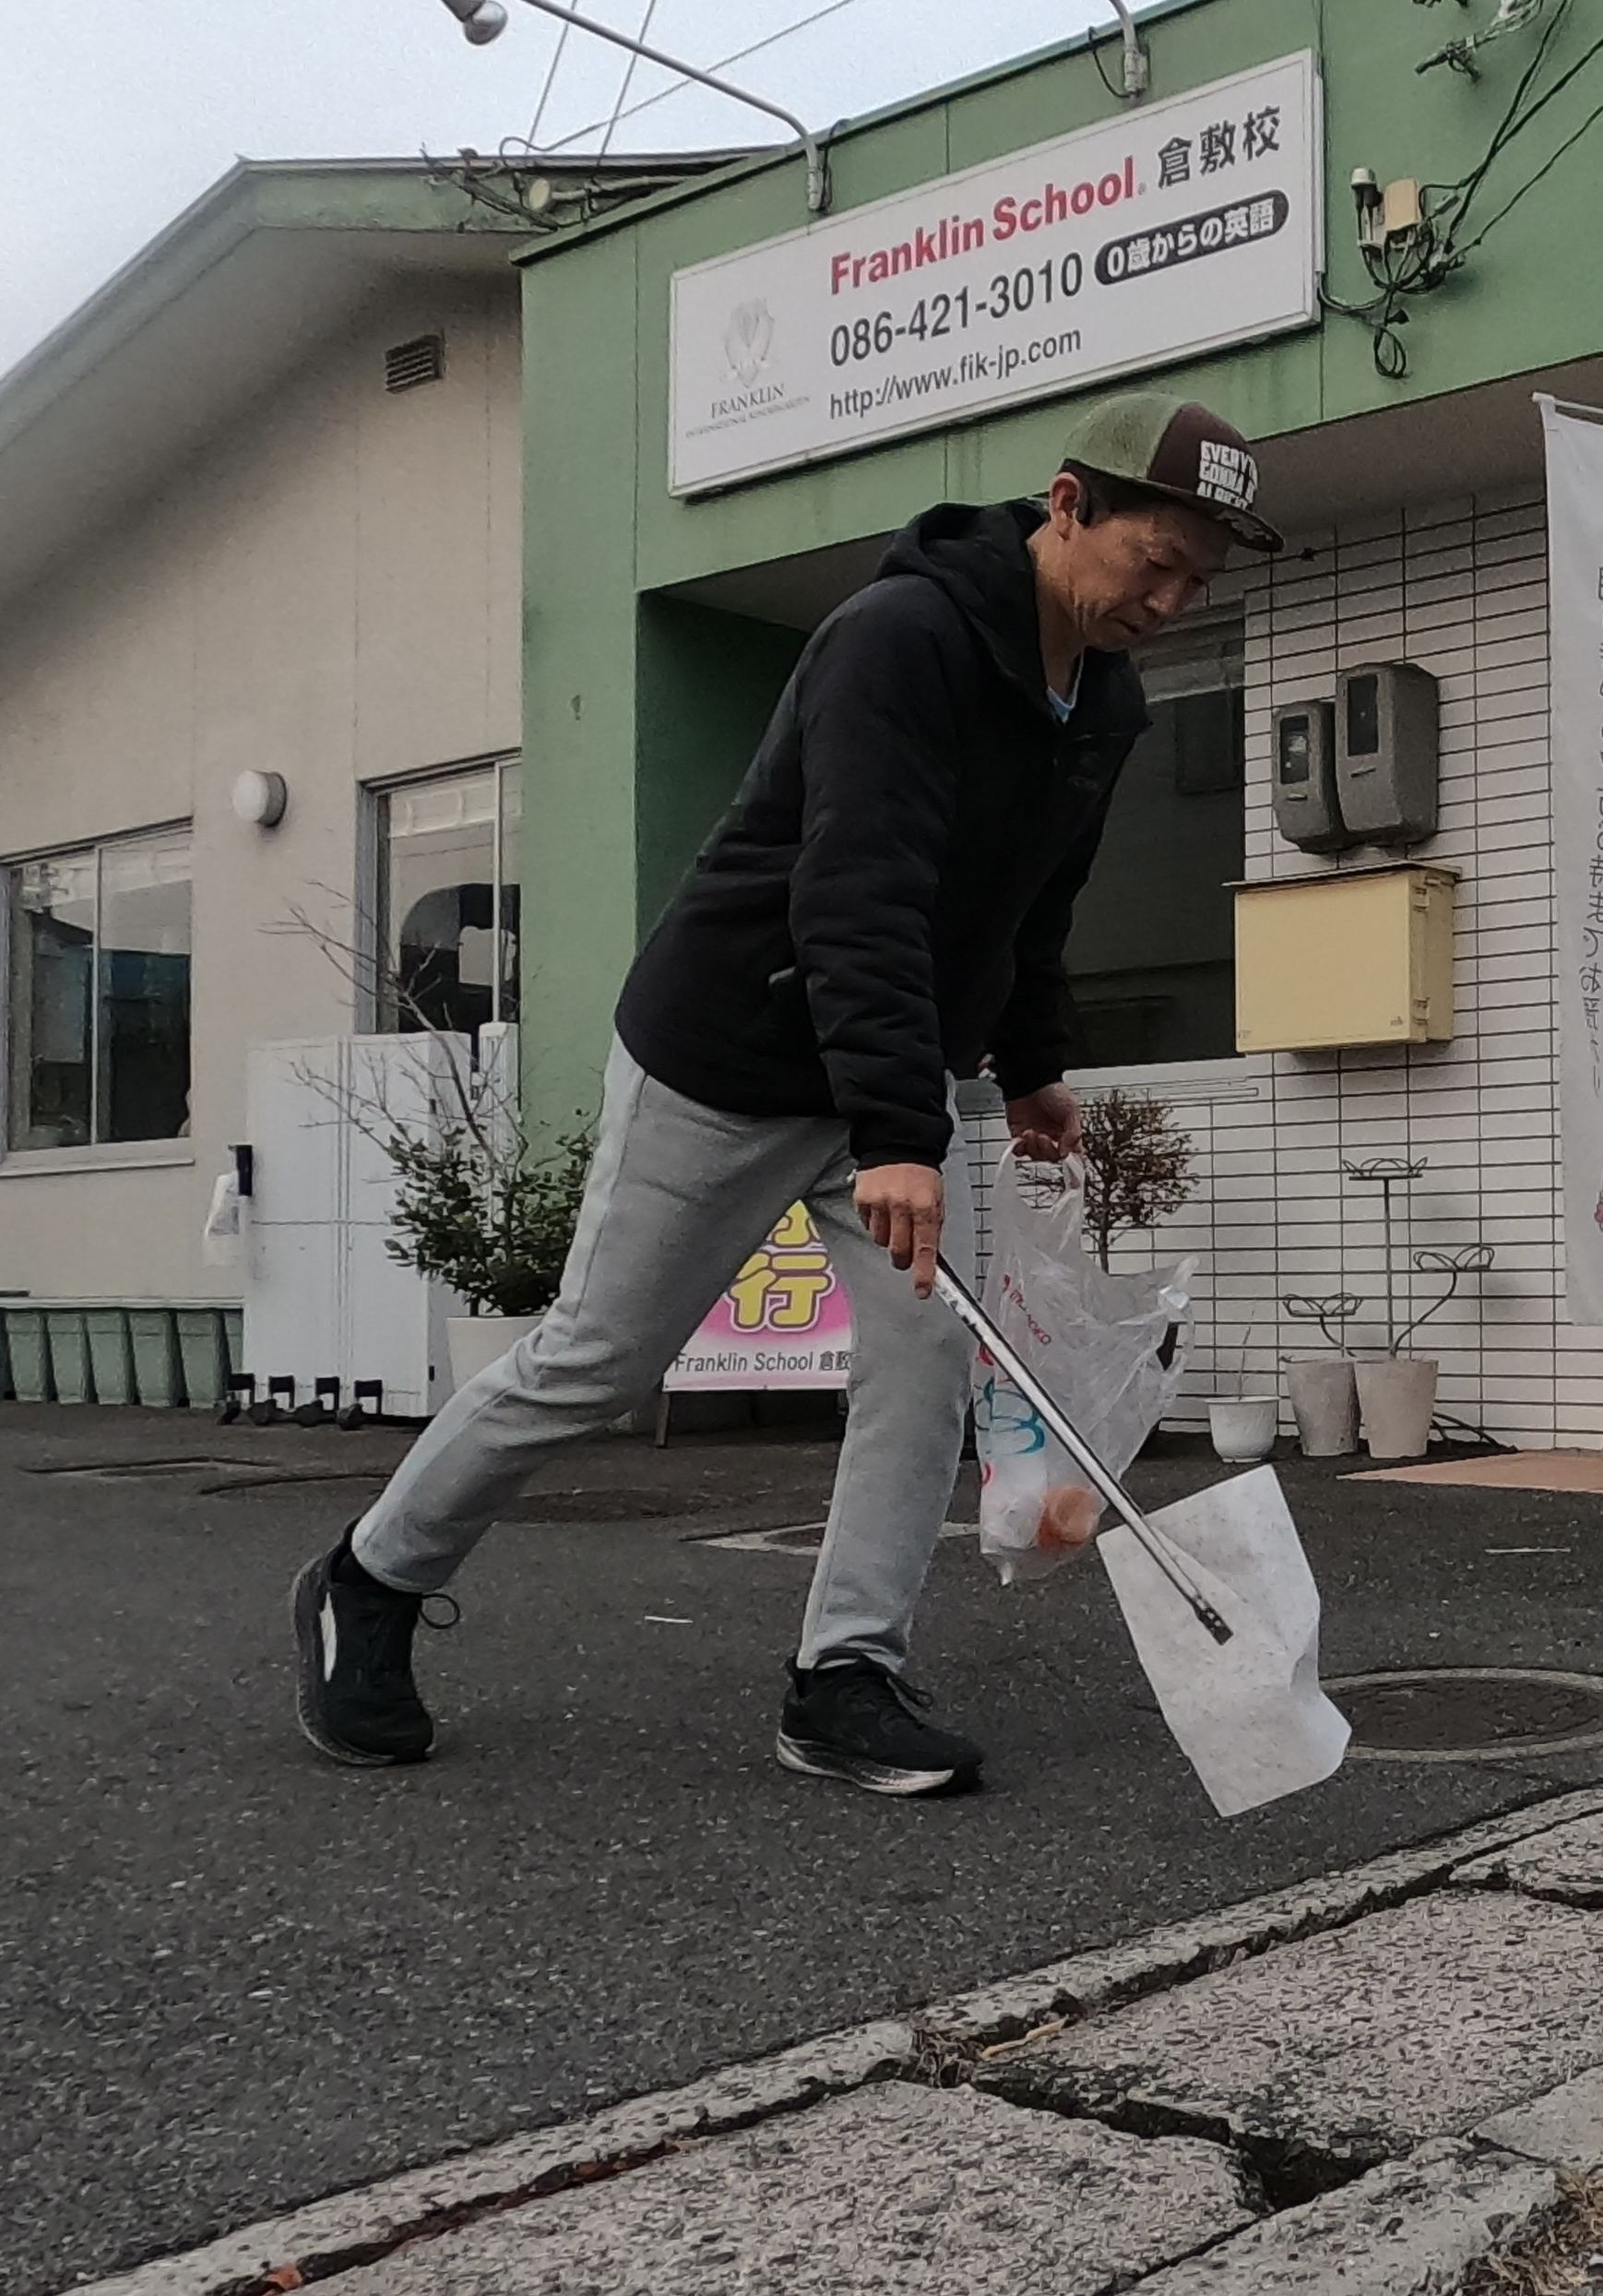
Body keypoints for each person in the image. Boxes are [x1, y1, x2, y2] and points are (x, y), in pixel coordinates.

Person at [291, 392, 1279, 1798]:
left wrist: (1036, 1059)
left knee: (925, 1361)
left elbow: (1029, 898)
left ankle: (844, 1678)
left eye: (1201, 579)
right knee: (595, 1364)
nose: (1171, 600)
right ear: (1069, 506)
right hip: (733, 1055)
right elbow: (855, 889)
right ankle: (369, 1580)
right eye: (1155, 561)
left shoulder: (1100, 700)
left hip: (895, 1068)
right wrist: (897, 1132)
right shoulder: (903, 641)